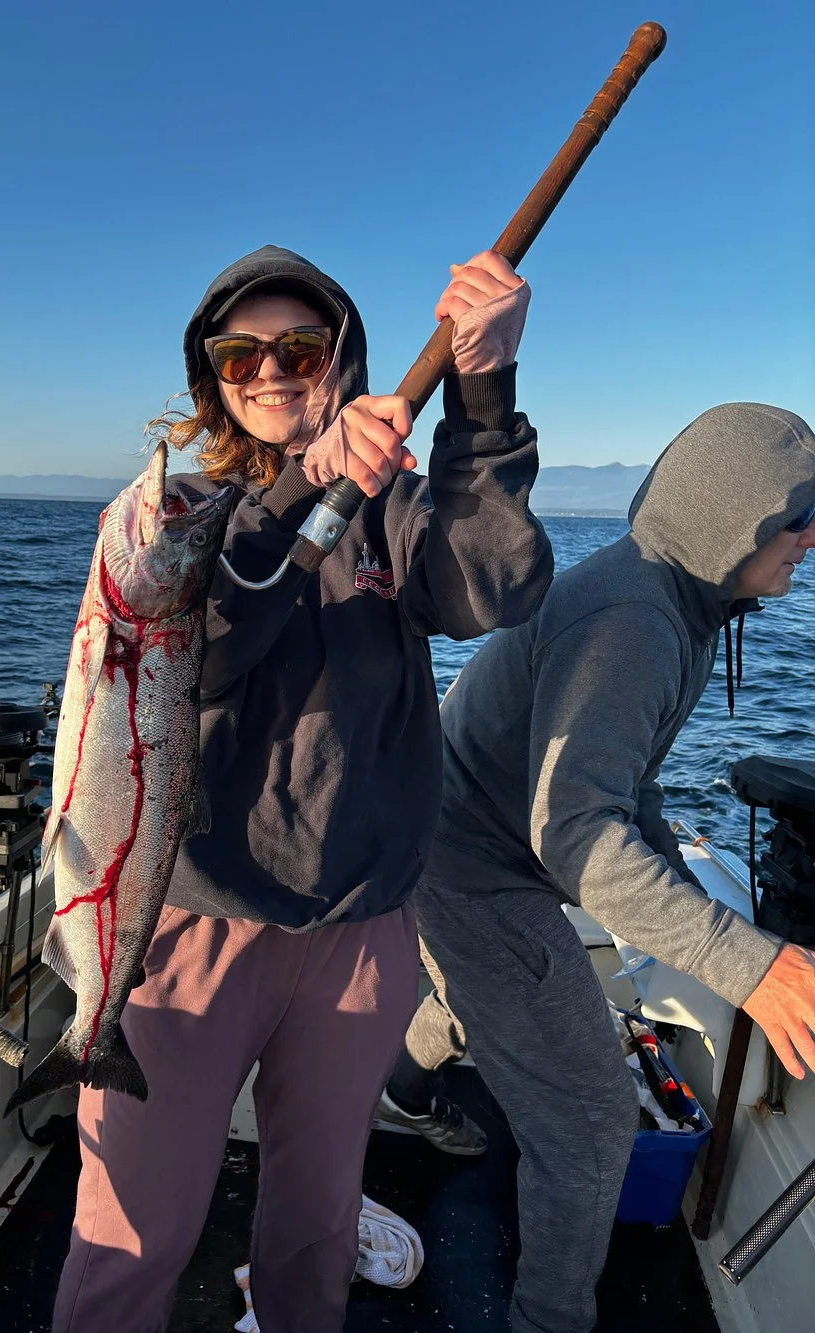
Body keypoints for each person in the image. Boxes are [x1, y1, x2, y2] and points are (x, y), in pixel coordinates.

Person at [51, 244, 553, 1333]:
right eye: (240, 353)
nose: (269, 369)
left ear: (342, 359)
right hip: (179, 926)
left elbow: (496, 585)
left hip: (359, 928)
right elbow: (211, 648)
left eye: (300, 346)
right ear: (209, 378)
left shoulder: (401, 512)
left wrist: (481, 394)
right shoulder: (176, 521)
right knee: (130, 1227)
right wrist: (297, 488)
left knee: (318, 1222)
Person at [382, 402, 815, 1333]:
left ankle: (397, 1097)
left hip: (469, 832)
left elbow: (630, 789)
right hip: (475, 861)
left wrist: (706, 922)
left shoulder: (685, 599)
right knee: (586, 1125)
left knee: (485, 995)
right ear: (731, 518)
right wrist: (754, 965)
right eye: (796, 518)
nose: (811, 541)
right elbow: (578, 835)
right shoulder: (636, 625)